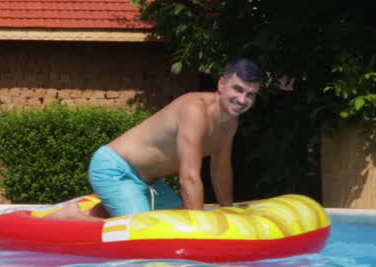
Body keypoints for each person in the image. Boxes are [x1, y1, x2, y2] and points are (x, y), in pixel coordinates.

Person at [50, 58, 264, 220]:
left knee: (178, 217)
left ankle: (102, 211)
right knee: (145, 230)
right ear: (221, 85)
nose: (242, 99)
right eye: (238, 89)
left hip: (149, 182)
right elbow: (188, 177)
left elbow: (221, 169)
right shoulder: (194, 110)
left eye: (250, 94)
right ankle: (71, 217)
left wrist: (227, 210)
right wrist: (201, 226)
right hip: (116, 169)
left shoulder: (230, 122)